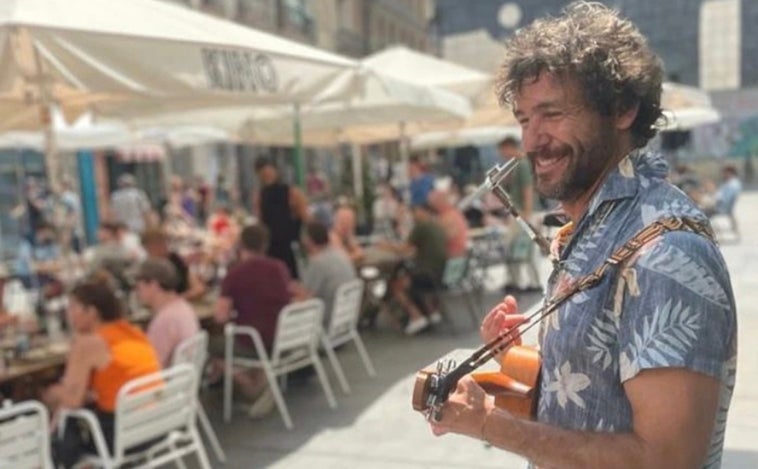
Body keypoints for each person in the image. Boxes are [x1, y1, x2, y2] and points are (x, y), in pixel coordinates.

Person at [428, 4, 738, 469]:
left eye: (551, 114)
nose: (532, 141)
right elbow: (593, 399)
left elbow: (667, 459)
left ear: (622, 109)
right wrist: (527, 358)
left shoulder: (665, 253)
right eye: (524, 119)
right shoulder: (597, 228)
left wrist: (490, 424)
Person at [43, 279, 160, 468]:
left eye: (73, 307)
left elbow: (72, 400)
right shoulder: (132, 332)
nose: (69, 314)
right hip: (157, 424)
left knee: (60, 413)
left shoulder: (88, 344)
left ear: (92, 312)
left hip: (122, 436)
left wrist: (47, 393)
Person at [214, 224, 295, 416]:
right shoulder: (279, 268)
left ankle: (251, 387)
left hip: (253, 342)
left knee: (211, 346)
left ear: (241, 245)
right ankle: (261, 383)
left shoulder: (235, 274)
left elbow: (220, 317)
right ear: (265, 245)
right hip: (282, 338)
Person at [381, 204, 447, 335]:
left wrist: (384, 246)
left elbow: (403, 248)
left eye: (415, 211)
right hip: (441, 273)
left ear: (422, 211)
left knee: (396, 285)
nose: (413, 215)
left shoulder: (421, 226)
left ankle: (416, 317)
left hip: (428, 275)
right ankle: (432, 312)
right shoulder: (437, 225)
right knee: (407, 275)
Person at [497, 137, 542, 293]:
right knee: (519, 247)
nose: (500, 154)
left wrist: (526, 215)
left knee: (522, 247)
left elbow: (527, 189)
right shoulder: (516, 165)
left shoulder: (521, 165)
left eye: (502, 150)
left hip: (523, 213)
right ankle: (518, 280)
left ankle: (525, 281)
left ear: (508, 147)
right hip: (521, 212)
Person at [135, 258, 200, 367]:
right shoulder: (183, 307)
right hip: (185, 378)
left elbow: (152, 363)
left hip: (167, 380)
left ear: (153, 285)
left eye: (139, 284)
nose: (137, 289)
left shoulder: (165, 320)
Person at [253, 157, 309, 279]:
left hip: (289, 245)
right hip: (271, 245)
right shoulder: (260, 195)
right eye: (263, 174)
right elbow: (260, 221)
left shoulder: (292, 192)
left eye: (269, 172)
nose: (267, 176)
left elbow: (305, 217)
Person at [297, 221, 358, 328]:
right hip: (345, 316)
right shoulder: (340, 254)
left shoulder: (318, 262)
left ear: (308, 240)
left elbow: (305, 296)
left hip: (326, 319)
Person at [141, 228, 207, 300]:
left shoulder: (176, 260)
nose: (162, 247)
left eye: (163, 242)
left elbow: (199, 288)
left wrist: (177, 300)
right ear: (146, 248)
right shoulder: (146, 269)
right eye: (155, 244)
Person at [427, 189, 469, 258]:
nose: (431, 206)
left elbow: (440, 240)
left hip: (452, 258)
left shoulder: (447, 217)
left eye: (433, 203)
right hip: (457, 255)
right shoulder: (454, 213)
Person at [330, 197, 364, 263]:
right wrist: (356, 255)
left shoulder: (347, 237)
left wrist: (355, 254)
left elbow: (360, 251)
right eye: (342, 222)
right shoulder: (332, 237)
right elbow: (340, 260)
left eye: (349, 222)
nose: (346, 226)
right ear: (335, 221)